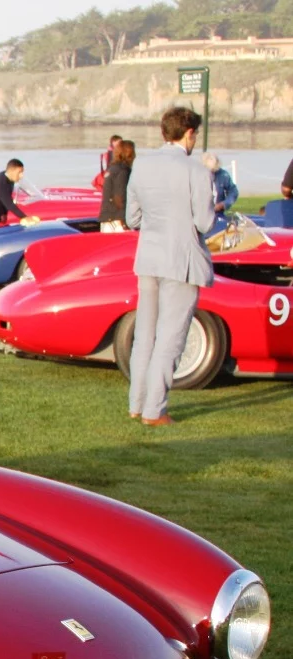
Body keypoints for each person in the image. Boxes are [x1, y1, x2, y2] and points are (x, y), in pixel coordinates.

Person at [124, 106, 216, 426]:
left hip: (148, 257)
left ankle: (136, 404)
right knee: (171, 337)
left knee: (145, 335)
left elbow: (131, 218)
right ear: (189, 133)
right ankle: (155, 410)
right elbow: (204, 222)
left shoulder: (142, 165)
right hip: (181, 259)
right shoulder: (197, 171)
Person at [100, 139, 136, 232]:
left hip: (107, 217)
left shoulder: (112, 169)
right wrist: (124, 220)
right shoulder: (123, 171)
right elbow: (120, 196)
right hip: (117, 220)